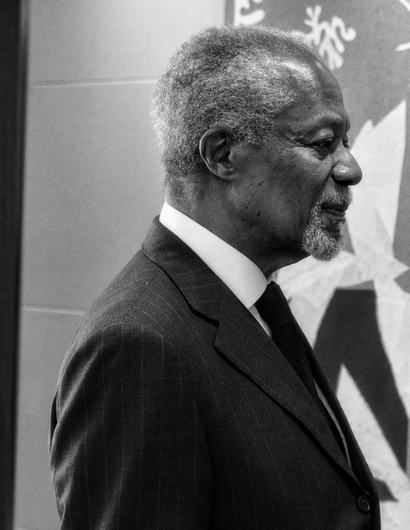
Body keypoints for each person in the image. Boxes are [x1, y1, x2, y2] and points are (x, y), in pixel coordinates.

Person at [50, 25, 379, 528]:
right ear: (222, 155)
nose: (350, 168)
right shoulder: (139, 345)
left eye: (345, 142)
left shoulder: (251, 305)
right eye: (322, 143)